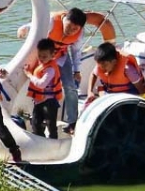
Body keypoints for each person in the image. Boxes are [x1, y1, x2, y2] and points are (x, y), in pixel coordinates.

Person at [18, 7, 112, 136]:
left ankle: (72, 122)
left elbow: (75, 51)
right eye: (69, 26)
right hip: (43, 58)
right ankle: (38, 120)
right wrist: (24, 29)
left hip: (61, 57)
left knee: (71, 86)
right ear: (65, 18)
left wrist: (76, 71)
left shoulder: (79, 34)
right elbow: (34, 26)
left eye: (75, 29)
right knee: (39, 87)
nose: (70, 31)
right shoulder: (51, 21)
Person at [85, 42, 145, 106]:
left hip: (128, 95)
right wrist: (90, 91)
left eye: (105, 65)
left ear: (114, 62)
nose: (102, 68)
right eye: (100, 66)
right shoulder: (101, 65)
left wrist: (144, 101)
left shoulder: (128, 69)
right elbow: (93, 74)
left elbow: (140, 88)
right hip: (110, 93)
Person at [25, 38, 62, 139]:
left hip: (49, 102)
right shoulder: (41, 64)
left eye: (45, 56)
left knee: (51, 125)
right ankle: (40, 141)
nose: (41, 58)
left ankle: (53, 142)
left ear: (52, 55)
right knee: (36, 123)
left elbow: (41, 84)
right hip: (38, 101)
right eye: (39, 56)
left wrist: (29, 75)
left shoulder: (50, 69)